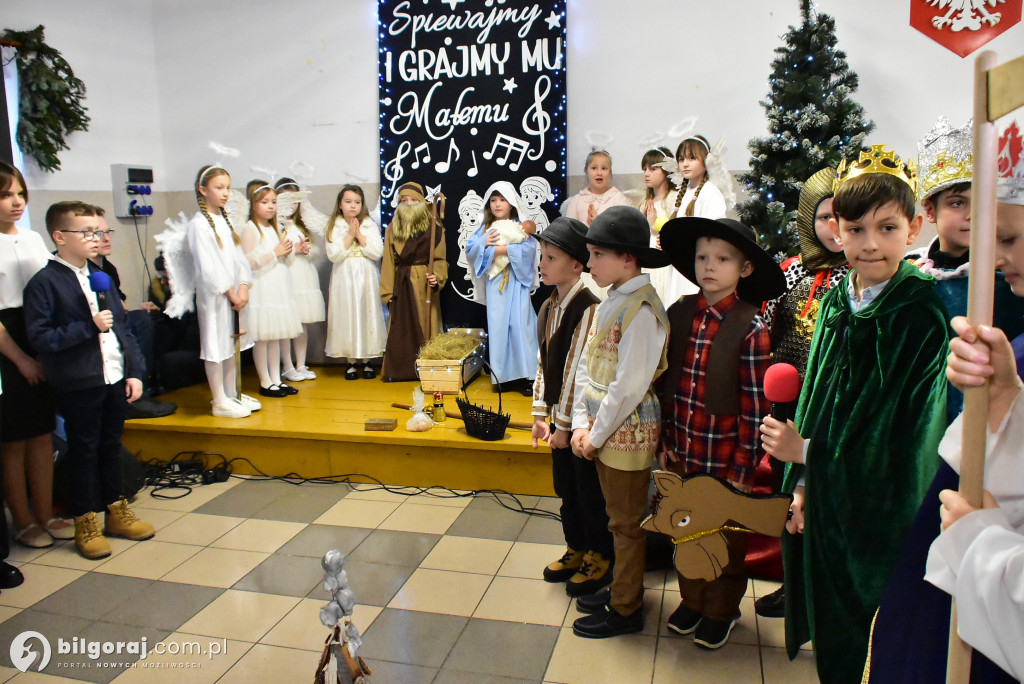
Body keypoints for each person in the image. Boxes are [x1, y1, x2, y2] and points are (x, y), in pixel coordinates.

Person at [759, 145, 949, 684]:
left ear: (913, 228)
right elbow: (816, 398)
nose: (870, 245)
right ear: (835, 230)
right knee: (836, 644)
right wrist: (801, 485)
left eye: (886, 228)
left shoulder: (917, 314)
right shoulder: (842, 298)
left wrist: (808, 454)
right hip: (829, 503)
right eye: (856, 228)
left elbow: (909, 444)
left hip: (876, 524)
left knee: (872, 646)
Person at [865, 121, 1024, 684]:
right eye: (957, 202)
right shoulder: (914, 283)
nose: (995, 250)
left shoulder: (1007, 290)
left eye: (1007, 236)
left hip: (976, 477)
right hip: (930, 455)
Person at [655, 215, 784, 649]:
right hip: (684, 452)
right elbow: (668, 387)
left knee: (724, 540)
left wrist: (744, 469)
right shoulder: (679, 314)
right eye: (702, 257)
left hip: (725, 460)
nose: (709, 266)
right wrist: (665, 443)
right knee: (687, 532)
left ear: (744, 269)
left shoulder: (751, 327)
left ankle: (722, 609)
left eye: (723, 258)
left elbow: (754, 407)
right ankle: (693, 600)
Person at [23, 201, 154, 560]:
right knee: (84, 451)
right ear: (60, 237)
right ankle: (86, 522)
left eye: (100, 231)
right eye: (87, 232)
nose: (97, 238)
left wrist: (134, 371)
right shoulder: (45, 282)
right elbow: (41, 338)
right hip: (79, 381)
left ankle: (116, 511)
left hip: (113, 375)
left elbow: (123, 328)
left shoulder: (101, 277)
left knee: (111, 446)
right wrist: (87, 327)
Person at [568, 206, 671, 639]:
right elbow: (589, 369)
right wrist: (579, 423)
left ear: (628, 258)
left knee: (627, 524)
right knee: (616, 518)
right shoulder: (615, 300)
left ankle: (626, 608)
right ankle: (620, 588)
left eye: (596, 254)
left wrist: (593, 433)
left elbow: (628, 387)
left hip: (623, 431)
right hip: (603, 428)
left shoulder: (642, 310)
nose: (589, 264)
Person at [755, 167, 848, 618]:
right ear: (809, 218)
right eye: (824, 216)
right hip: (786, 403)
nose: (833, 228)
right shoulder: (789, 273)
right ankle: (793, 584)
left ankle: (819, 592)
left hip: (830, 404)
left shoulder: (860, 276)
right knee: (782, 493)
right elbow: (765, 329)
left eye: (842, 217)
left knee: (821, 500)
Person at [907, 116, 1024, 422]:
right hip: (919, 421)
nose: (973, 214)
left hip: (988, 420)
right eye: (957, 203)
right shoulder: (908, 275)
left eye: (981, 200)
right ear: (930, 210)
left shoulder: (1009, 281)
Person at [530, 217, 610, 597]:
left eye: (551, 257)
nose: (542, 264)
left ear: (577, 264)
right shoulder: (548, 305)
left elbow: (579, 372)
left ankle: (600, 554)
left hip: (580, 422)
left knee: (587, 491)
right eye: (541, 256)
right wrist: (538, 415)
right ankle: (576, 547)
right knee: (565, 488)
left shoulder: (589, 308)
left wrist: (563, 425)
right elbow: (545, 363)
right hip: (559, 419)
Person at [0, 162, 71, 551]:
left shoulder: (29, 239)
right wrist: (22, 360)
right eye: (5, 195)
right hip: (7, 344)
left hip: (38, 334)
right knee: (14, 439)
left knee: (42, 433)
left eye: (20, 194)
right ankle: (22, 520)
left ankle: (45, 513)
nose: (16, 202)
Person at [86, 206, 177, 419]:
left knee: (158, 323)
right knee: (140, 322)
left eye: (108, 232)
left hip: (116, 322)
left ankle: (146, 386)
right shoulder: (76, 272)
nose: (106, 238)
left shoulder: (107, 268)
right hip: (96, 330)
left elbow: (120, 304)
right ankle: (134, 396)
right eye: (98, 233)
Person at [187, 165, 259, 418]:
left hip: (234, 296)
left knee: (232, 344)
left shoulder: (224, 222)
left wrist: (243, 286)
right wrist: (230, 291)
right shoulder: (199, 225)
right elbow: (208, 267)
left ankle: (232, 393)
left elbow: (239, 258)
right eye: (219, 188)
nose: (225, 193)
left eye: (228, 187)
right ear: (203, 189)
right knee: (216, 345)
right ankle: (218, 399)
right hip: (216, 297)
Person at [466, 181, 539, 395]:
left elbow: (528, 249)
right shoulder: (485, 228)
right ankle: (503, 376)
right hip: (496, 283)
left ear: (511, 203)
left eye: (502, 200)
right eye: (494, 200)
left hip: (516, 281)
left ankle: (529, 376)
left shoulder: (520, 225)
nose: (498, 205)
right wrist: (485, 245)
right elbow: (472, 250)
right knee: (498, 328)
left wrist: (500, 249)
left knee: (521, 326)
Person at [379, 182, 447, 382]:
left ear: (421, 202)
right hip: (401, 283)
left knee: (426, 324)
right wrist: (387, 293)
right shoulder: (392, 229)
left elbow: (440, 259)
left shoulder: (434, 228)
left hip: (423, 283)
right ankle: (400, 369)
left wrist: (437, 276)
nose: (408, 204)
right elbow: (388, 263)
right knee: (401, 327)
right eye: (403, 200)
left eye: (413, 200)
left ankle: (428, 369)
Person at [240, 181, 303, 398]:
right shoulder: (250, 228)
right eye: (264, 202)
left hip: (278, 286)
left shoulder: (274, 227)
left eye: (273, 202)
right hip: (263, 288)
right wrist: (275, 253)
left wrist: (288, 251)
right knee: (263, 337)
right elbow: (248, 261)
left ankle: (277, 378)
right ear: (253, 204)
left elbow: (283, 254)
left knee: (276, 336)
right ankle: (265, 381)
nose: (270, 207)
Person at [325, 184, 386, 378]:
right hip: (344, 276)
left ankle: (368, 360)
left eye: (357, 202)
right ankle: (350, 361)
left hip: (366, 275)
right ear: (340, 204)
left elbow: (377, 252)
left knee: (367, 313)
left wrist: (359, 234)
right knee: (347, 314)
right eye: (348, 202)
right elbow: (333, 254)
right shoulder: (335, 225)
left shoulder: (368, 223)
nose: (353, 206)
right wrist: (349, 234)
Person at [661, 136, 729, 305]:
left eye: (692, 158)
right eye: (681, 159)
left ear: (706, 161)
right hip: (680, 264)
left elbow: (714, 234)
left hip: (697, 267)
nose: (685, 164)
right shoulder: (683, 193)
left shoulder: (710, 193)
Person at [274, 177, 326, 383]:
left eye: (295, 200)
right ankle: (287, 365)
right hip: (289, 278)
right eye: (286, 200)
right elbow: (276, 253)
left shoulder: (300, 225)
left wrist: (306, 249)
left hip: (304, 277)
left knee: (302, 324)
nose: (291, 205)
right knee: (288, 326)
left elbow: (314, 251)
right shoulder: (276, 226)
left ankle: (301, 364)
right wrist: (294, 251)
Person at [637, 147, 686, 305]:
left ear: (666, 171)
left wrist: (654, 224)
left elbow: (676, 232)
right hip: (646, 262)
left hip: (664, 262)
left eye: (653, 169)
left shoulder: (673, 200)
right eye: (645, 169)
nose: (646, 173)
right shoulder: (644, 203)